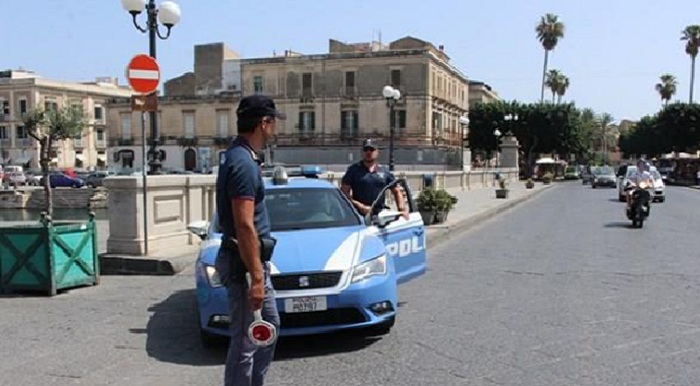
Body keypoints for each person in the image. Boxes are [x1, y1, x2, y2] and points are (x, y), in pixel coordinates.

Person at [214, 94, 285, 386]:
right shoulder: (242, 163)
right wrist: (256, 278)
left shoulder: (241, 156)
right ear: (263, 124)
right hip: (245, 266)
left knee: (268, 328)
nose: (274, 130)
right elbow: (244, 225)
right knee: (245, 342)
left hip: (251, 264)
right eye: (273, 123)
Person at [340, 139, 408, 218]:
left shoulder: (385, 171)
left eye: (372, 150)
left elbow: (397, 191)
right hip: (358, 215)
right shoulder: (353, 170)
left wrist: (401, 210)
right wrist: (359, 206)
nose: (369, 152)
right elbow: (344, 193)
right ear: (362, 152)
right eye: (366, 150)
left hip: (380, 215)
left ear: (377, 152)